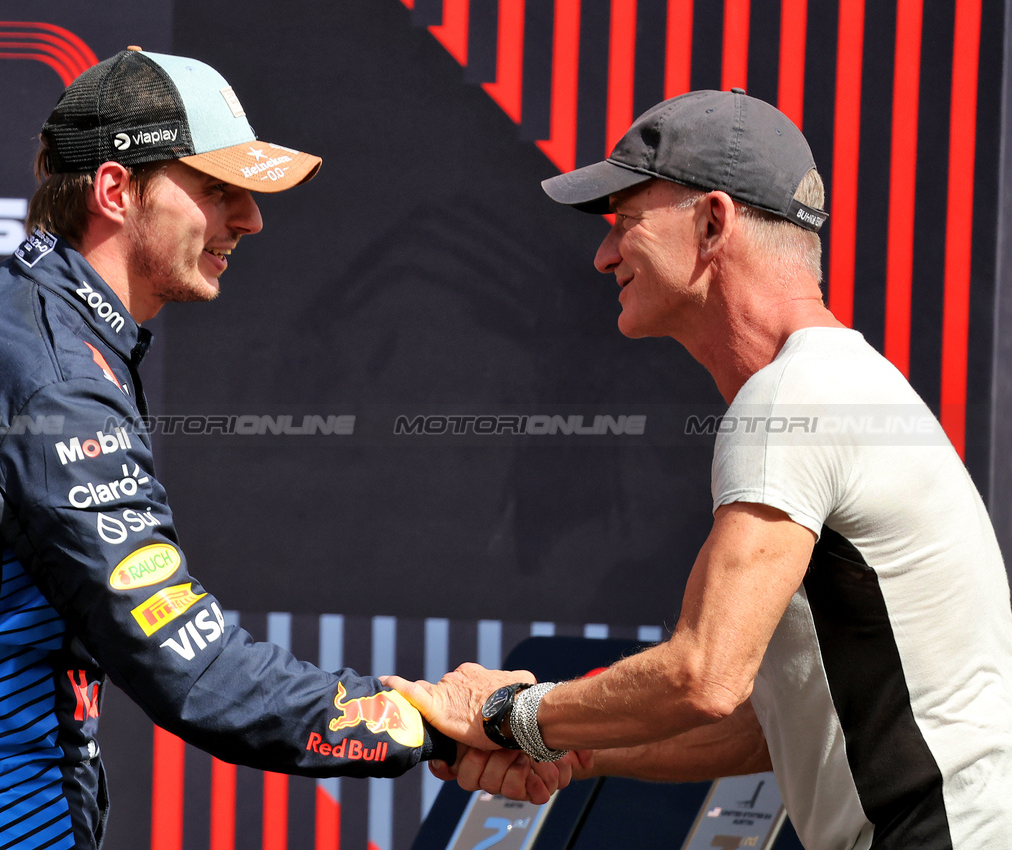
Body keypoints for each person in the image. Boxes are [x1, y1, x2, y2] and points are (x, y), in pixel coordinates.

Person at [0, 47, 562, 850]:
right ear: (115, 189)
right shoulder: (55, 379)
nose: (248, 220)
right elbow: (193, 668)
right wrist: (426, 722)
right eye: (218, 192)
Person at [385, 89, 1012, 848]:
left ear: (713, 222)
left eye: (624, 222)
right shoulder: (833, 384)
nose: (603, 254)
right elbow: (758, 728)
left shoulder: (792, 399)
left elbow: (702, 675)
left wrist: (501, 714)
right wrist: (558, 747)